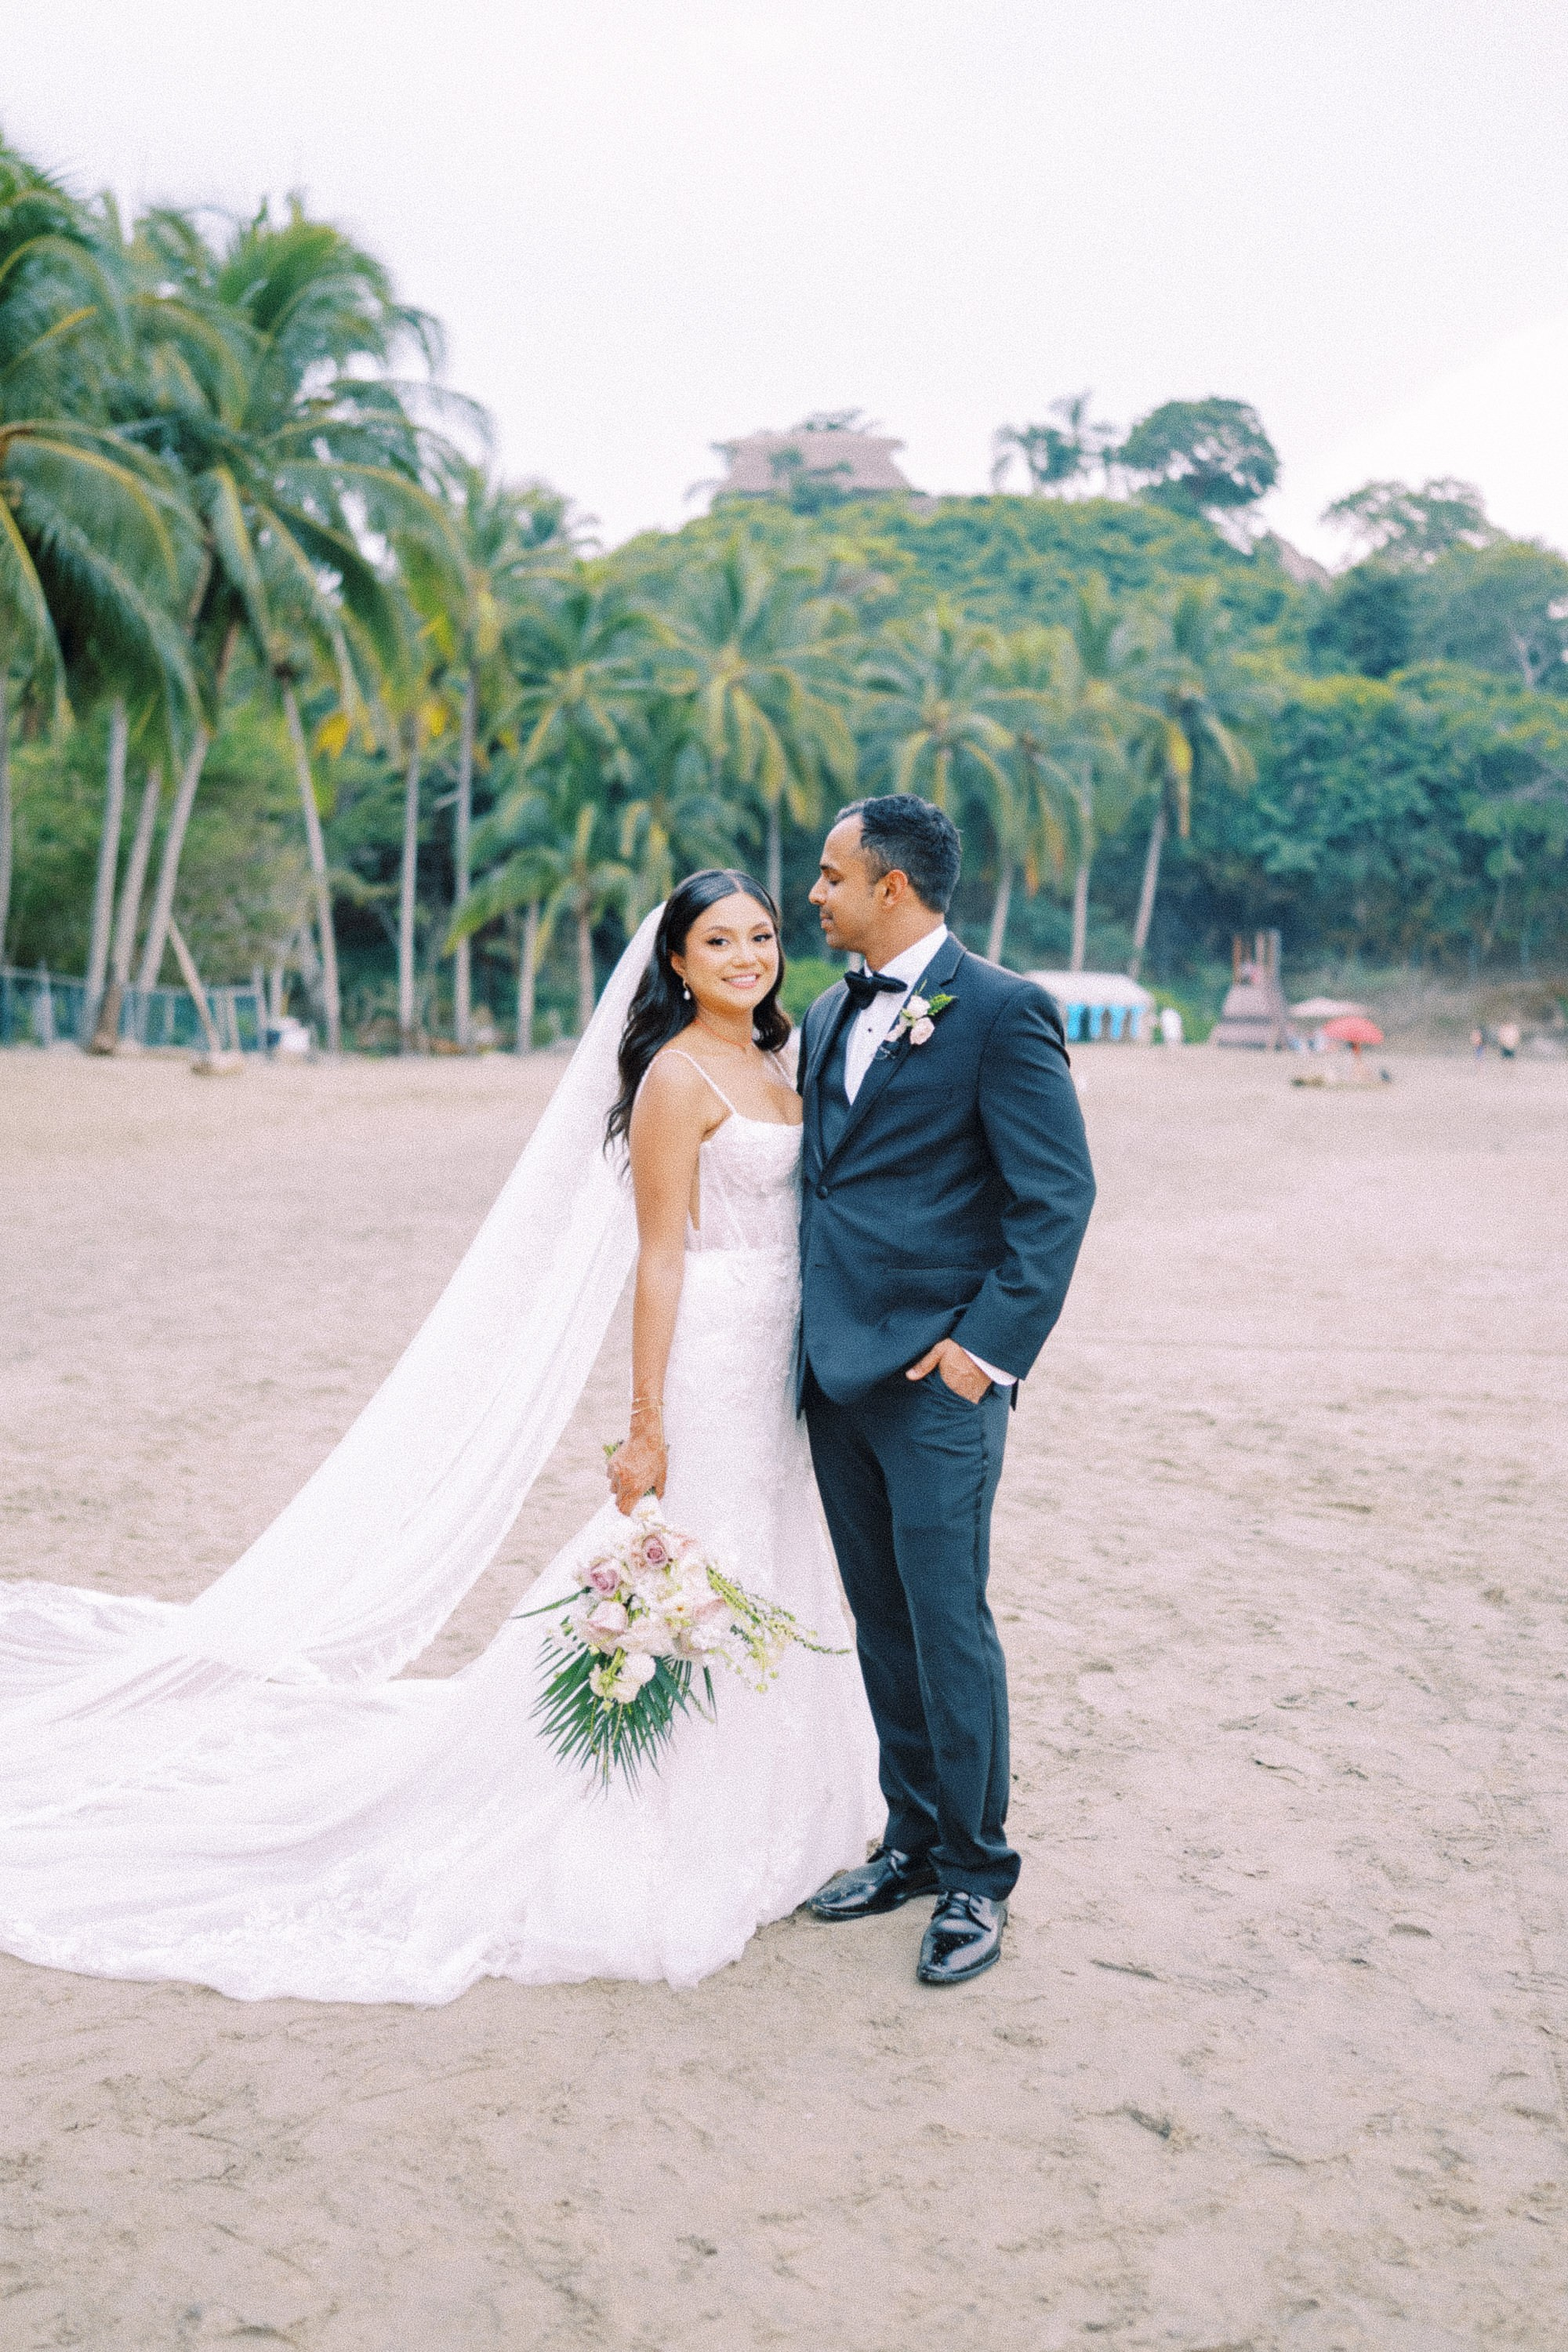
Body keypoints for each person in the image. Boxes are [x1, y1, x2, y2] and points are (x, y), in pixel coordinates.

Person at [0, 871, 878, 2002]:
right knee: (705, 1554)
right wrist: (645, 1423)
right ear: (676, 962)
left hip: (789, 1355)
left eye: (761, 936)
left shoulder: (785, 1057)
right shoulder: (675, 1077)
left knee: (786, 1551)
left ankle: (788, 1813)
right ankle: (659, 1818)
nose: (748, 956)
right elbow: (659, 1257)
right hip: (713, 1348)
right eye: (719, 941)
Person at [797, 797, 1095, 1986]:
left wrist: (983, 1353)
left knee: (949, 1622)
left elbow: (1055, 1199)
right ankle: (911, 1842)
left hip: (938, 1384)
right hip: (833, 1378)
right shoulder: (826, 1011)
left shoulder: (1005, 1012)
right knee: (881, 1621)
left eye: (829, 876)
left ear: (894, 886)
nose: (810, 895)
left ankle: (977, 1876)